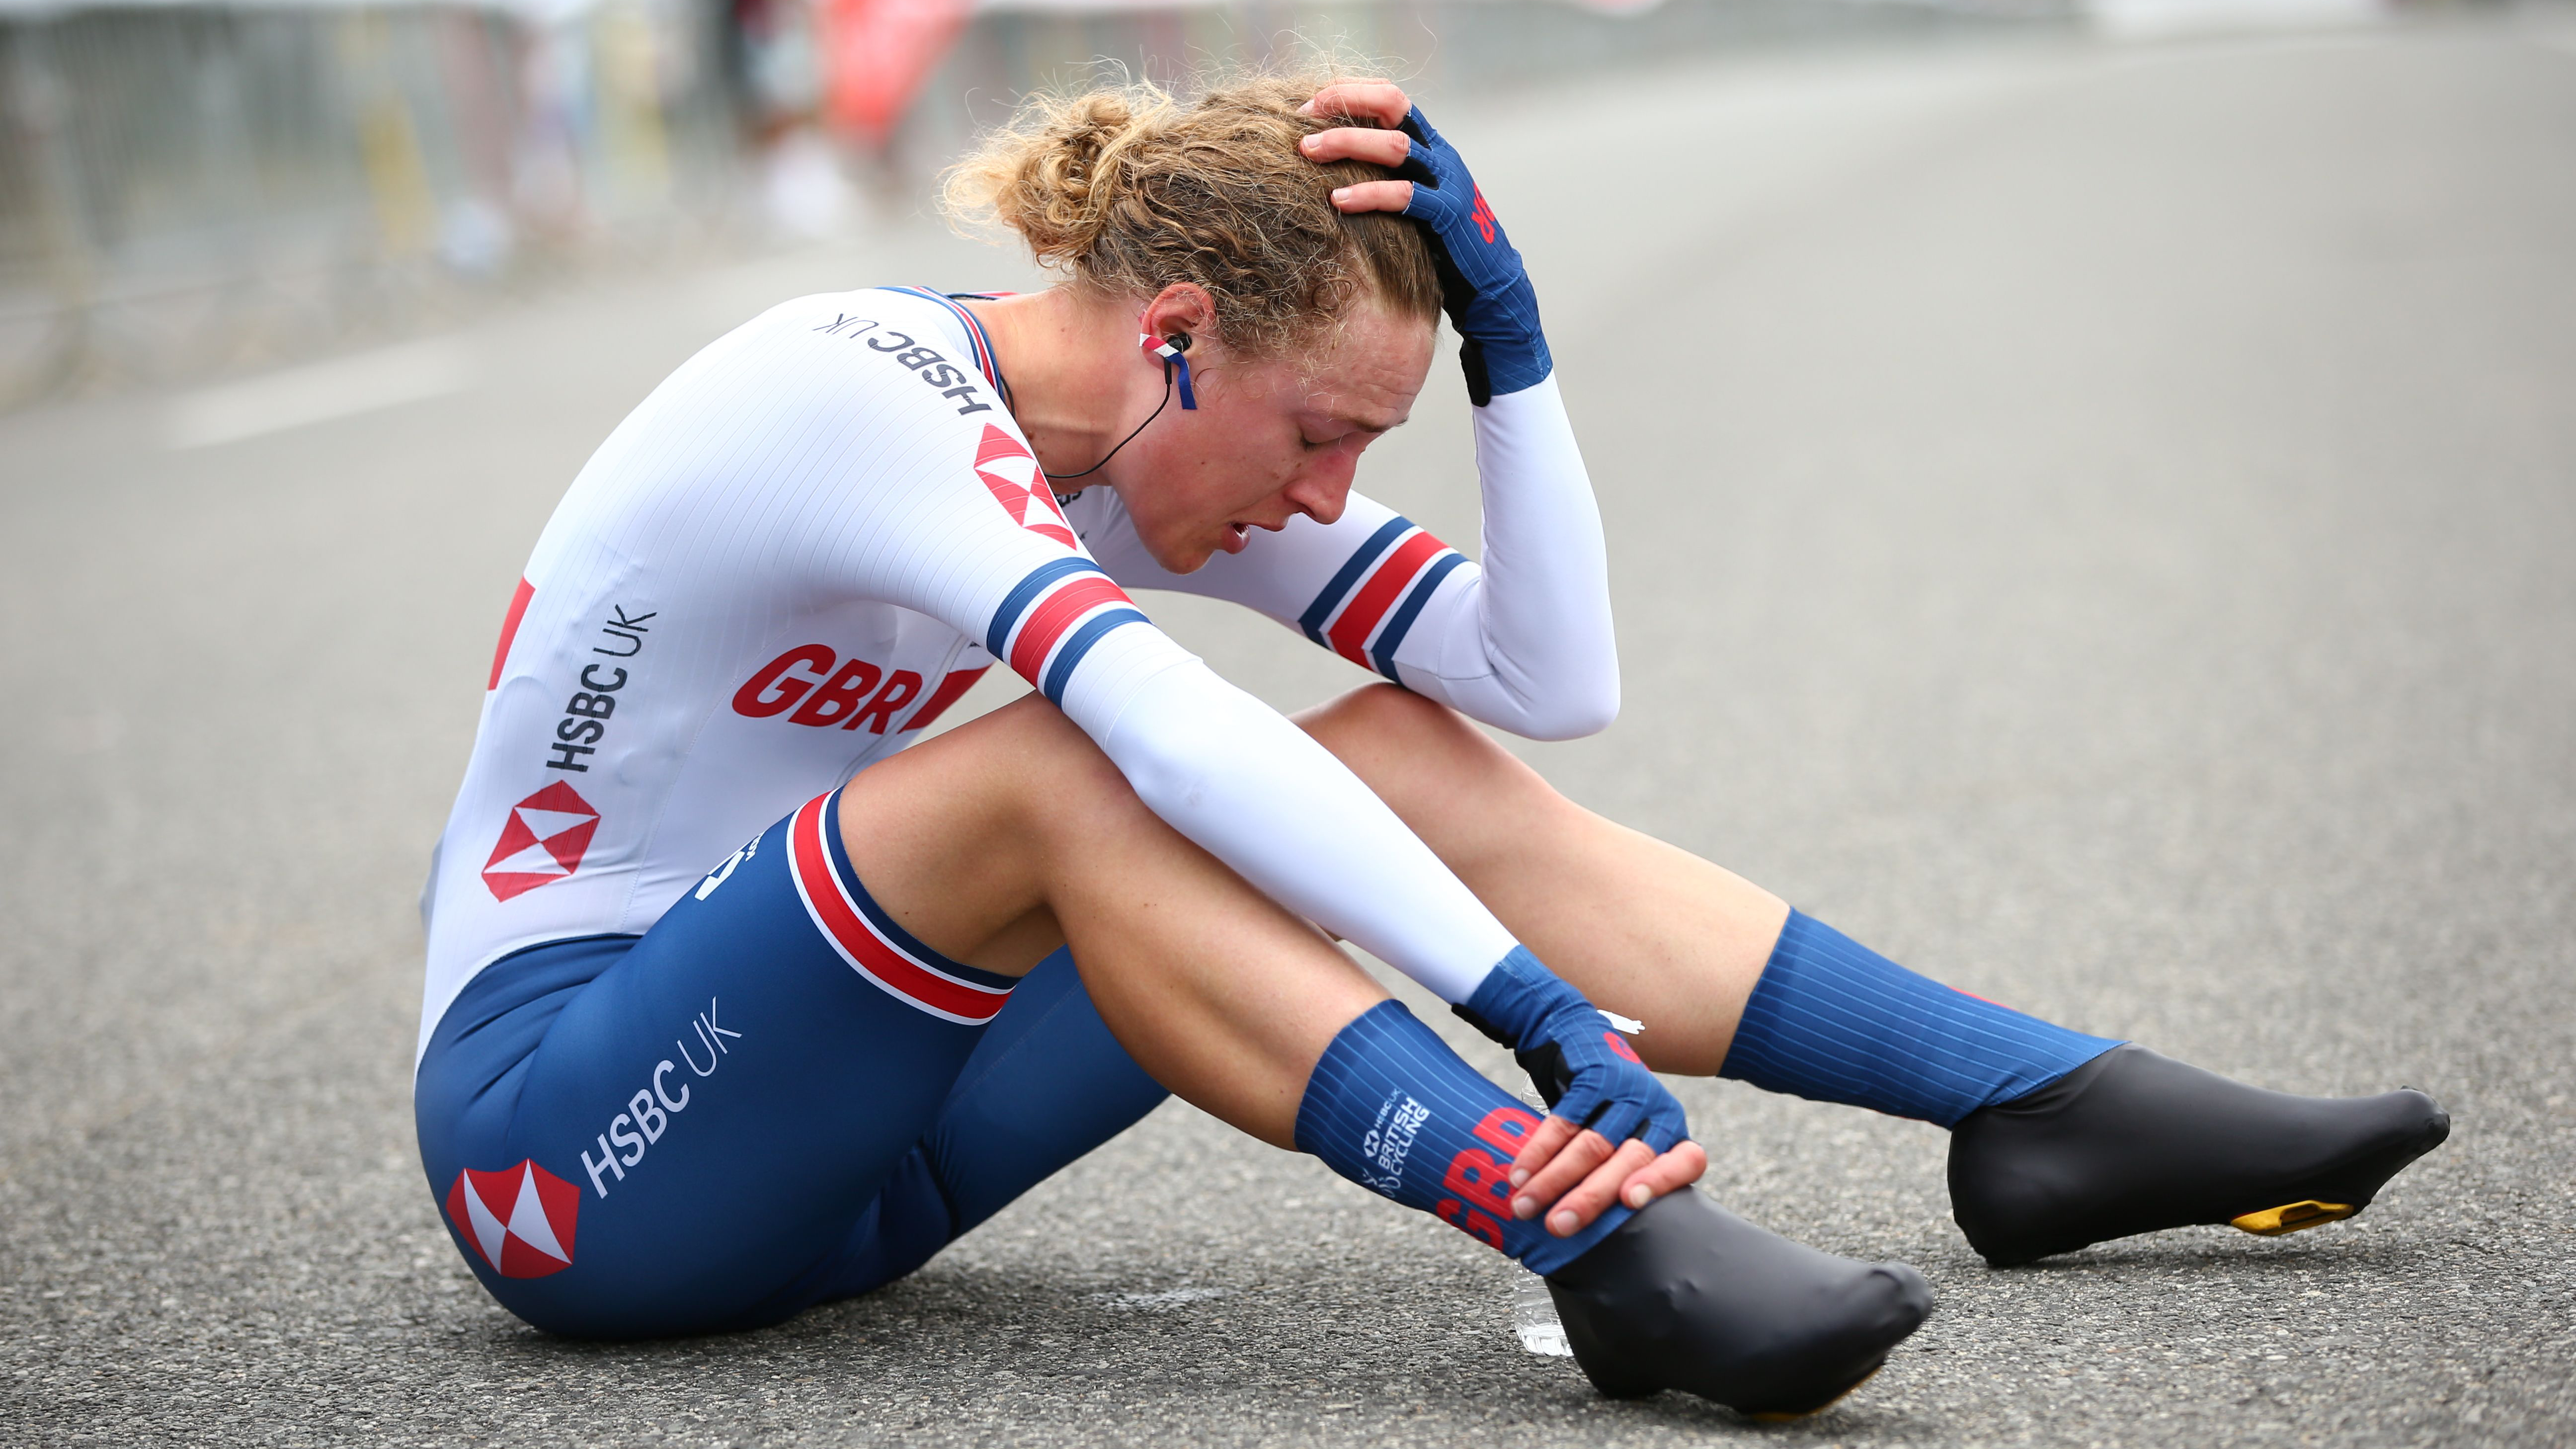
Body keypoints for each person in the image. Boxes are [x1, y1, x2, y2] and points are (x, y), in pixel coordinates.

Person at [412, 71, 2450, 1419]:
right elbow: (1166, 743)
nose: (1326, 495)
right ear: (1177, 331)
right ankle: (1592, 1234)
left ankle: (2038, 1106)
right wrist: (1543, 1024)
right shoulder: (855, 398)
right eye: (1323, 434)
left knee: (1401, 748)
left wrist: (1517, 341)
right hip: (571, 1161)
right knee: (1062, 769)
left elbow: (1536, 677)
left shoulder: (1145, 442)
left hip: (864, 1149)